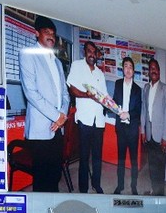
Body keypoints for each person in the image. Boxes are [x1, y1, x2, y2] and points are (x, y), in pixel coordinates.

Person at [18, 16, 69, 192]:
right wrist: (57, 116)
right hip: (40, 130)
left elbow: (65, 94)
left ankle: (52, 206)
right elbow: (31, 93)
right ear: (36, 33)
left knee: (55, 175)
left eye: (53, 34)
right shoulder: (28, 55)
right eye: (46, 32)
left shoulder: (58, 62)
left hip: (58, 128)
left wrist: (62, 116)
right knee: (42, 179)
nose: (51, 37)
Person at [67, 40, 109, 193]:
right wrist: (87, 95)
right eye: (89, 51)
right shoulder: (77, 66)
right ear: (84, 52)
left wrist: (115, 108)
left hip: (99, 121)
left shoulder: (100, 73)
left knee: (97, 157)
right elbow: (72, 88)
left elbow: (104, 96)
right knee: (84, 157)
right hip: (85, 120)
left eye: (94, 52)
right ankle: (83, 189)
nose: (92, 54)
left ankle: (96, 184)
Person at [141, 58, 166, 195]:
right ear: (148, 72)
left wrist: (165, 138)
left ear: (159, 71)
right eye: (151, 68)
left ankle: (160, 195)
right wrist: (143, 132)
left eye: (156, 68)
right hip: (149, 135)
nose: (153, 71)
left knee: (160, 167)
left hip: (161, 137)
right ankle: (154, 191)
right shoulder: (146, 88)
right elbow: (143, 110)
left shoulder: (165, 89)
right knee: (152, 166)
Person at [112, 57, 142, 194]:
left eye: (130, 67)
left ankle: (134, 186)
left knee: (134, 160)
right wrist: (111, 106)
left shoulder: (137, 89)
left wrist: (128, 114)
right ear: (122, 69)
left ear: (133, 71)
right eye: (126, 66)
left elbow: (138, 110)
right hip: (121, 128)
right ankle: (120, 186)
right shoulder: (118, 84)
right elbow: (114, 102)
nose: (128, 69)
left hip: (132, 129)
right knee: (121, 159)